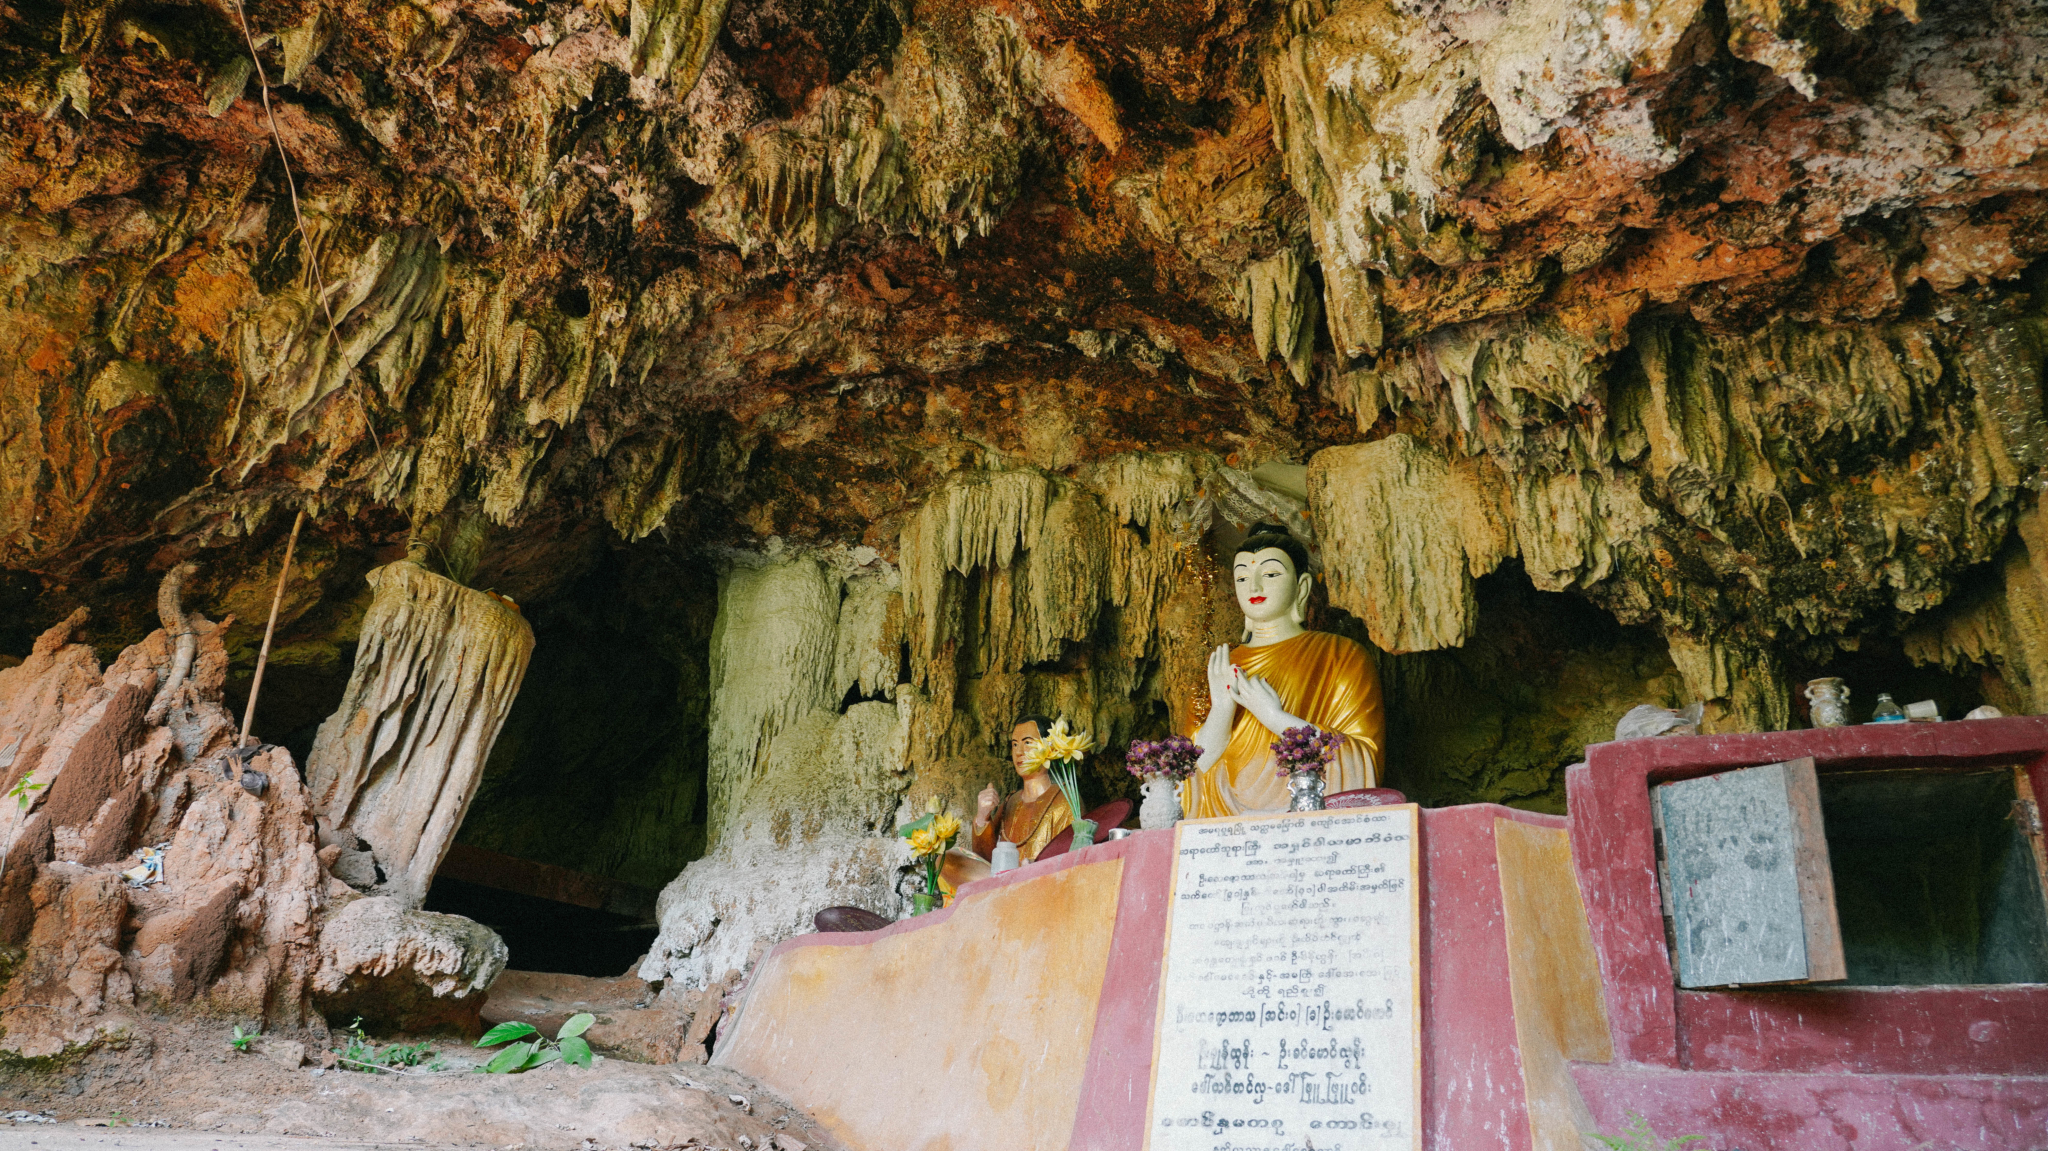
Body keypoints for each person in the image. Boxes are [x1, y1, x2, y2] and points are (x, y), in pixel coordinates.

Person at [1181, 522, 1385, 817]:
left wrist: (1275, 718)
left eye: (1271, 574)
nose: (1255, 587)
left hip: (1308, 816)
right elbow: (1187, 775)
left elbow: (1363, 758)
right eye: (1242, 577)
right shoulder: (1219, 669)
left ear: (1301, 586)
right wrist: (1222, 711)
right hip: (1225, 826)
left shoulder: (1341, 655)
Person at [970, 714, 1074, 863]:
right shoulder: (1010, 803)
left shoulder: (1064, 801)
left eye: (1028, 743)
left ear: (1050, 748)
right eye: (1014, 744)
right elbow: (985, 862)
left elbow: (1070, 862)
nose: (1019, 752)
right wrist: (982, 817)